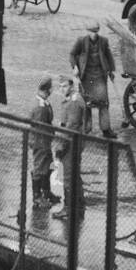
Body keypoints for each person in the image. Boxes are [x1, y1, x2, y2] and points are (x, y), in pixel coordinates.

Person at [70, 21, 116, 138]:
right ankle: (86, 128)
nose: (94, 34)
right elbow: (72, 54)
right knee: (86, 104)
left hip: (100, 76)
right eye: (92, 32)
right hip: (86, 77)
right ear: (87, 31)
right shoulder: (81, 41)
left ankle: (106, 129)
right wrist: (75, 66)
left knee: (104, 103)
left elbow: (108, 56)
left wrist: (111, 71)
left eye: (96, 32)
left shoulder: (103, 41)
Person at [52, 75, 89, 220]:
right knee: (74, 174)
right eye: (60, 86)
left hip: (71, 143)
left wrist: (60, 147)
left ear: (71, 86)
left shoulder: (73, 102)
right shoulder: (74, 99)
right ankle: (79, 204)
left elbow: (71, 127)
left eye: (65, 86)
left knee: (68, 176)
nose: (62, 89)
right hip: (75, 142)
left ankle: (68, 208)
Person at [30, 77, 55, 205]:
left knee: (48, 165)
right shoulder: (40, 107)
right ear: (47, 89)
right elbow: (40, 128)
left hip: (45, 141)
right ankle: (37, 196)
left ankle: (46, 191)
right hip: (41, 141)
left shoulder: (44, 103)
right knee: (39, 167)